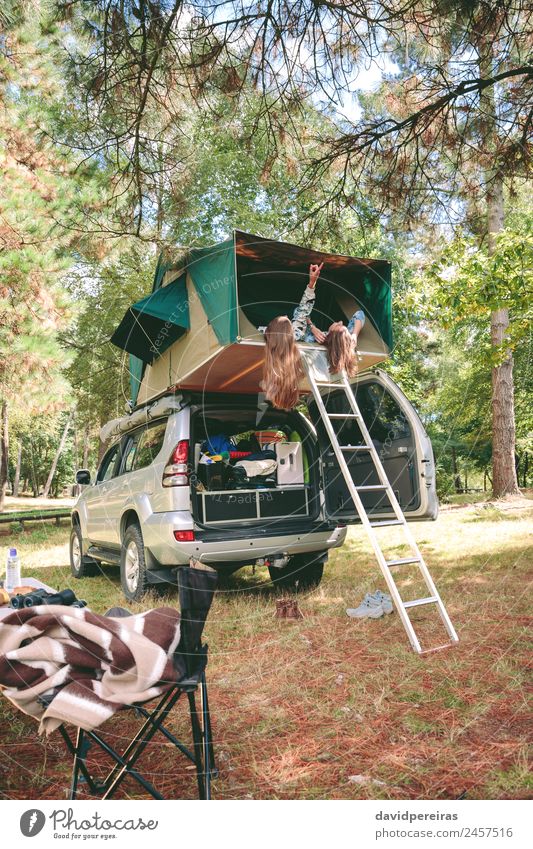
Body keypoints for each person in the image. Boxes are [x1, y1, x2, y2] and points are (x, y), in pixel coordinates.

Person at [262, 262, 365, 409]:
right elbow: (359, 314)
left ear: (332, 335)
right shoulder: (331, 341)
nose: (340, 321)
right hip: (301, 333)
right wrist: (353, 335)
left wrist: (312, 284)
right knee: (295, 318)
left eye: (338, 324)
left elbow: (301, 313)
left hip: (293, 336)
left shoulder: (307, 340)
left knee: (292, 318)